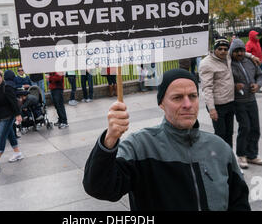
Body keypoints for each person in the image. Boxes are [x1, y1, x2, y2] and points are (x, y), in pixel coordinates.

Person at [83, 69, 250, 211]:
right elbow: (99, 187)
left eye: (192, 96)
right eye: (177, 98)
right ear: (161, 103)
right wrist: (110, 138)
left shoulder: (220, 147)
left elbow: (239, 202)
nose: (187, 104)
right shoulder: (140, 146)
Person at [199, 37, 260, 147]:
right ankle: (220, 160)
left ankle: (228, 158)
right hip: (217, 105)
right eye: (220, 49)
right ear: (214, 49)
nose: (223, 51)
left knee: (229, 133)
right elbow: (207, 88)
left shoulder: (227, 56)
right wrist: (212, 109)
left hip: (229, 102)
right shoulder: (206, 64)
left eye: (225, 49)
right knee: (220, 134)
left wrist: (252, 56)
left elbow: (240, 52)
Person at [229, 39, 262, 169]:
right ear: (232, 51)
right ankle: (242, 155)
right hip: (238, 102)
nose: (240, 53)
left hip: (252, 100)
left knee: (255, 128)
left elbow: (260, 75)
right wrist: (234, 86)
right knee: (245, 127)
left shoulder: (250, 61)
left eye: (242, 50)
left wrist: (258, 85)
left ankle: (252, 155)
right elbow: (222, 82)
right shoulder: (228, 64)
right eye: (236, 51)